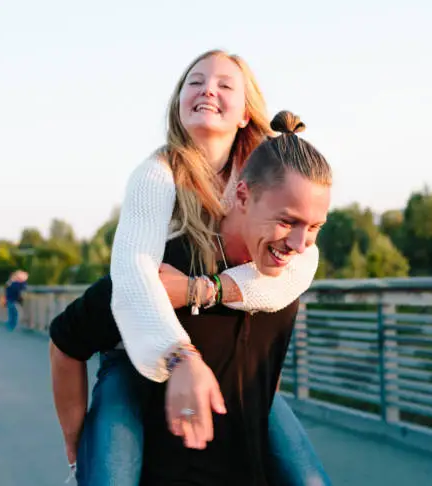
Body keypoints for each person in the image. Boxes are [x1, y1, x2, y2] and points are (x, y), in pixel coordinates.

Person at [61, 49, 328, 485]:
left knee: (309, 477)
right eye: (195, 81)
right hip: (140, 352)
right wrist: (181, 355)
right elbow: (135, 277)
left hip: (228, 363)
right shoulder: (157, 174)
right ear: (178, 102)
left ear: (246, 113)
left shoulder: (266, 176)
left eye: (225, 85)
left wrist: (203, 290)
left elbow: (298, 268)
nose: (207, 90)